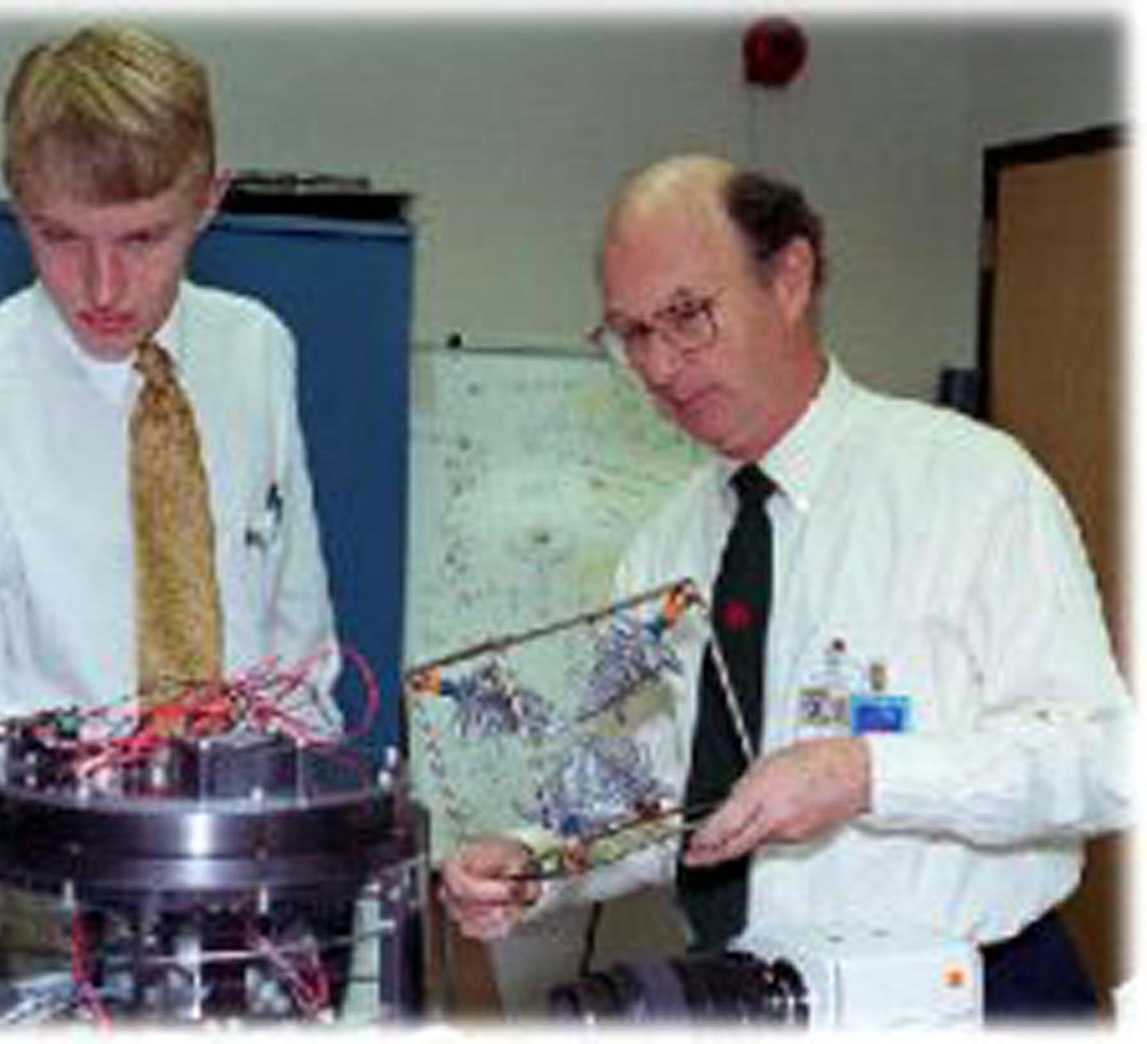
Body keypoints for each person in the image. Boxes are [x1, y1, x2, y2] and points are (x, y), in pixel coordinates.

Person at [439, 154, 1133, 1021]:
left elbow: (1103, 761)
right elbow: (661, 795)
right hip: (751, 1001)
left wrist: (870, 773)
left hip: (973, 999)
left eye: (687, 316)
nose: (659, 365)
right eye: (631, 333)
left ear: (791, 277)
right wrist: (536, 863)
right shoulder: (663, 548)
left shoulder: (971, 485)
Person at [0, 23, 339, 999]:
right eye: (59, 236)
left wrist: (312, 927)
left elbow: (299, 659)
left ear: (210, 201)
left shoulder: (258, 354)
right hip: (66, 953)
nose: (100, 287)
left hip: (260, 938)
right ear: (16, 208)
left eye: (141, 238)